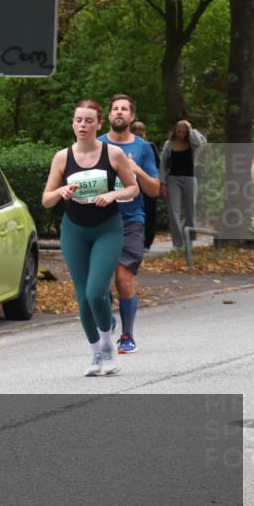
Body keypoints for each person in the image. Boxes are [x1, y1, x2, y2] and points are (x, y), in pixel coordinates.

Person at [42, 100, 138, 377]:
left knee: (96, 291)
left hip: (107, 228)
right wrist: (61, 192)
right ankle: (96, 353)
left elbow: (132, 188)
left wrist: (113, 194)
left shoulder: (114, 153)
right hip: (74, 230)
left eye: (88, 121)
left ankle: (109, 346)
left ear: (98, 124)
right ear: (72, 123)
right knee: (82, 297)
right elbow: (46, 200)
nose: (82, 125)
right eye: (78, 120)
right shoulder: (63, 157)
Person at [98, 94, 159, 354]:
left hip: (132, 221)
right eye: (115, 109)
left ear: (132, 116)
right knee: (98, 283)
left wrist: (137, 170)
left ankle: (127, 335)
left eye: (124, 109)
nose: (119, 113)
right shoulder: (96, 145)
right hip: (100, 221)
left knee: (123, 278)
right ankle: (107, 319)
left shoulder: (143, 148)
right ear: (109, 116)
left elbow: (155, 189)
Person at [160, 120, 207, 248]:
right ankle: (178, 243)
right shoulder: (168, 144)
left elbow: (202, 144)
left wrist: (191, 130)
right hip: (173, 179)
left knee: (191, 211)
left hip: (190, 179)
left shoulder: (193, 144)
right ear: (175, 131)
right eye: (179, 131)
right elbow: (163, 164)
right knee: (173, 212)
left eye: (184, 131)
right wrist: (163, 183)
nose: (181, 134)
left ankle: (189, 240)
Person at [130, 121, 161, 250]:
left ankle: (147, 242)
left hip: (147, 182)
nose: (139, 137)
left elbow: (157, 165)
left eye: (141, 134)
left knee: (149, 213)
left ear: (145, 133)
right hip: (132, 184)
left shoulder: (150, 146)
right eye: (136, 134)